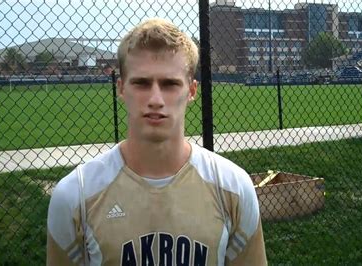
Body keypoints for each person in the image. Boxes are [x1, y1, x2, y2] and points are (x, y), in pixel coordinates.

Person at [47, 18, 267, 266]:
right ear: (121, 88)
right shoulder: (76, 196)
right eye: (141, 83)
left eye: (169, 84)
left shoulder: (233, 189)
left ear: (192, 91)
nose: (155, 99)